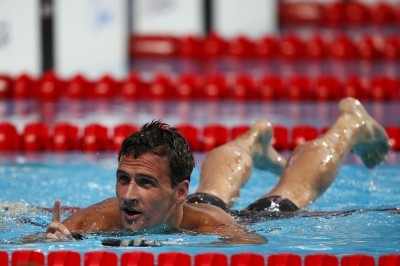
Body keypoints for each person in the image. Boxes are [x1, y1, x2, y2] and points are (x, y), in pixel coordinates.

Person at [43, 97, 390, 244]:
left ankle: (349, 124)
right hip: (188, 206)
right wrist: (50, 240)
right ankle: (253, 140)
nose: (128, 196)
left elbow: (253, 243)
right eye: (123, 179)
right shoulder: (99, 219)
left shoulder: (213, 225)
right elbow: (41, 241)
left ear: (179, 191)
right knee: (212, 192)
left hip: (216, 216)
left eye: (145, 182)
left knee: (287, 195)